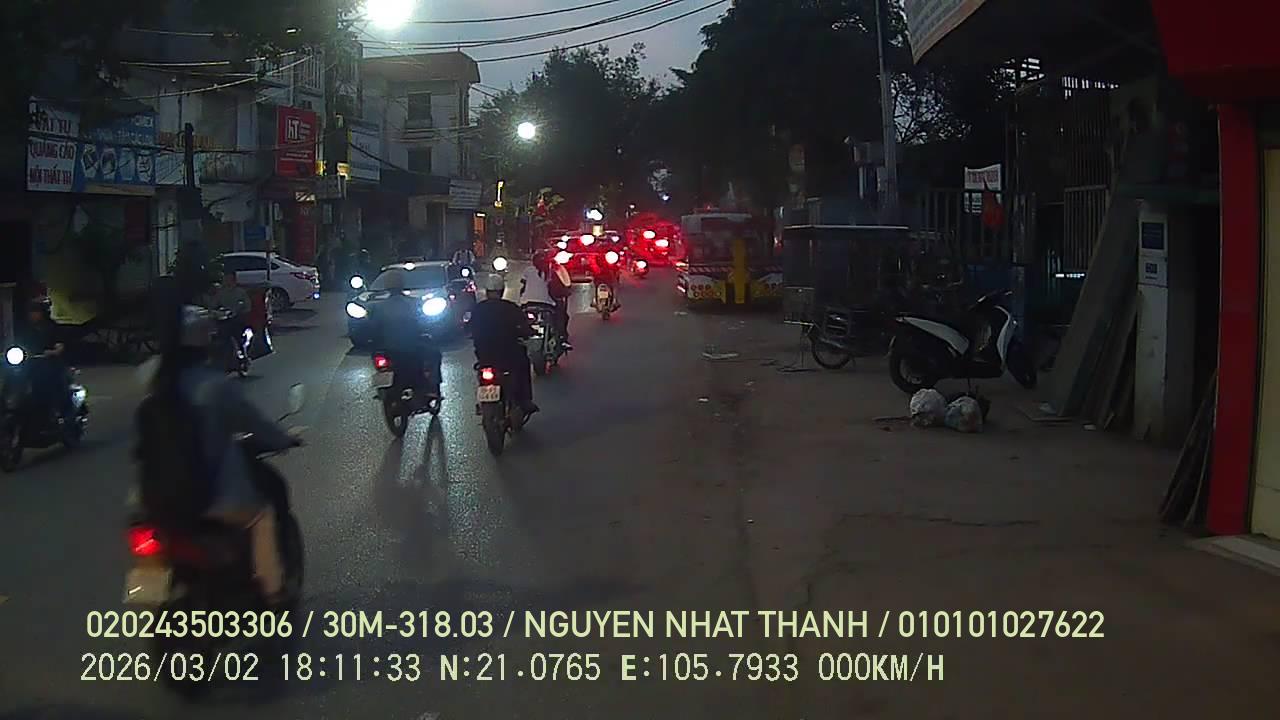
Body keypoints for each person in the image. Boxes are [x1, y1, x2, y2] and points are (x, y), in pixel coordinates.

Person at [138, 305, 300, 604]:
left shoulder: (152, 383)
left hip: (154, 496)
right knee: (262, 517)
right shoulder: (213, 386)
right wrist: (284, 439)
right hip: (212, 497)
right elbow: (254, 423)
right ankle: (274, 590)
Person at [469, 273, 537, 415]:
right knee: (523, 362)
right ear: (502, 291)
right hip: (508, 354)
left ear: (487, 291)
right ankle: (525, 400)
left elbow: (468, 328)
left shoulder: (477, 309)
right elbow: (524, 327)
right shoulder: (511, 308)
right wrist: (529, 331)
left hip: (484, 355)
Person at [374, 269, 443, 399]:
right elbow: (422, 323)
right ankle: (431, 388)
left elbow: (372, 327)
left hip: (387, 349)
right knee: (435, 354)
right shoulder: (413, 303)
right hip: (410, 348)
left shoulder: (379, 306)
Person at [15, 298, 71, 420]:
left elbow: (60, 346)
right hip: (29, 363)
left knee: (57, 382)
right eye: (31, 312)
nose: (32, 315)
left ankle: (64, 415)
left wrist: (53, 352)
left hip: (49, 362)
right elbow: (18, 344)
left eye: (36, 311)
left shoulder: (53, 327)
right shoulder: (25, 329)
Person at [546, 252, 573, 347]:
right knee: (562, 317)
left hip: (528, 302)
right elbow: (566, 284)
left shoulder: (529, 271)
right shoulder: (557, 269)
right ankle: (562, 338)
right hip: (551, 301)